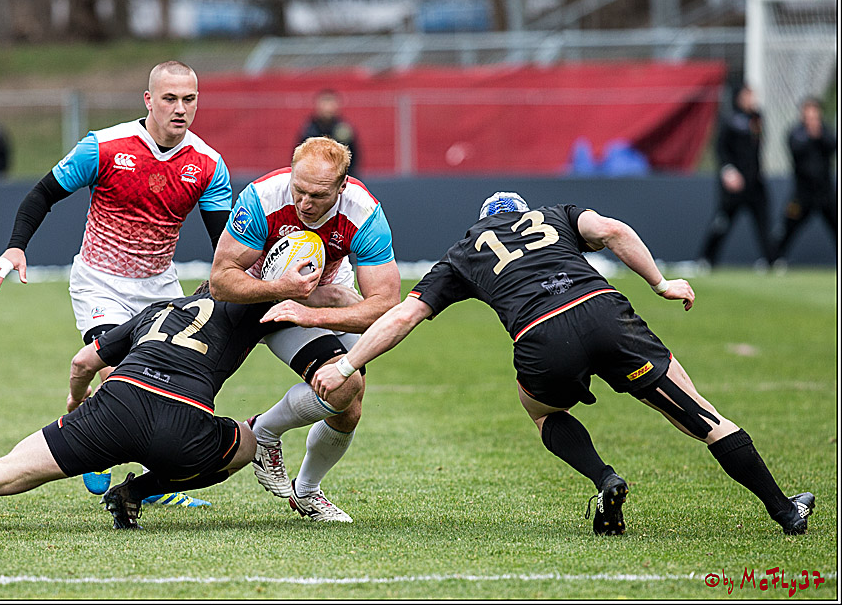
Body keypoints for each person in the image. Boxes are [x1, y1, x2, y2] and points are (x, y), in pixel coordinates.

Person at [312, 191, 815, 536]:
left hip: (541, 338)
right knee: (703, 417)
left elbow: (404, 316)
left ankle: (604, 479)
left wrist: (348, 362)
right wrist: (660, 283)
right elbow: (614, 230)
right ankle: (784, 510)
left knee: (541, 411)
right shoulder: (555, 214)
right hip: (604, 313)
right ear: (523, 212)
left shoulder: (464, 251)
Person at [0, 289, 353, 533]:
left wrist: (76, 400)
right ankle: (138, 490)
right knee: (245, 443)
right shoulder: (255, 301)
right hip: (182, 420)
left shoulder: (156, 309)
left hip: (114, 404)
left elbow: (84, 359)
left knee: (4, 473)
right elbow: (312, 304)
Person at [0, 60, 232, 508]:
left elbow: (225, 244)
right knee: (124, 376)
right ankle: (92, 434)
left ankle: (149, 481)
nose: (180, 109)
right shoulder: (103, 147)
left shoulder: (208, 164)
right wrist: (16, 246)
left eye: (189, 99)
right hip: (101, 283)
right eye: (169, 98)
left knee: (167, 390)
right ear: (148, 100)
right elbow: (43, 194)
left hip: (161, 289)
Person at [209, 136, 400, 522]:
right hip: (260, 297)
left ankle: (307, 492)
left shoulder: (364, 213)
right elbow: (221, 281)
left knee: (349, 405)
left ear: (342, 186)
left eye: (318, 195)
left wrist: (313, 312)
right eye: (299, 190)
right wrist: (283, 292)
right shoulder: (262, 198)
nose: (305, 204)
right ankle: (262, 432)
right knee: (344, 383)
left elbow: (385, 305)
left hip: (321, 294)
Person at [698, 85, 777, 269]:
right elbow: (720, 149)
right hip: (734, 183)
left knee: (763, 222)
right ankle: (706, 259)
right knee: (723, 222)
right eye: (748, 96)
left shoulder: (757, 118)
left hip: (755, 181)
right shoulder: (729, 119)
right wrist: (728, 170)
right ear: (739, 97)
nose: (752, 100)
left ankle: (771, 260)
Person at [773, 97, 837, 263]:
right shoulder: (796, 133)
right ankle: (774, 259)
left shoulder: (825, 132)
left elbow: (832, 146)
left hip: (825, 192)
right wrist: (810, 135)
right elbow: (796, 148)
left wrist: (819, 135)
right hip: (802, 194)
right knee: (788, 226)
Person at [297, 89, 361, 178]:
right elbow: (300, 155)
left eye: (331, 103)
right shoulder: (308, 129)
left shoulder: (344, 129)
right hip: (313, 178)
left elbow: (354, 155)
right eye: (325, 102)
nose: (328, 107)